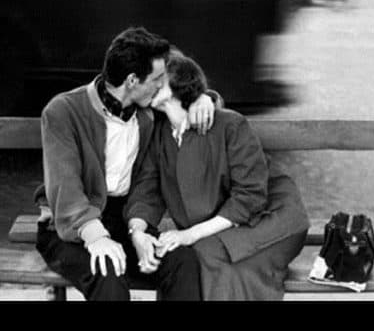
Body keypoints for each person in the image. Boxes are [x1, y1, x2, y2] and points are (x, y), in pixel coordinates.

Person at [35, 26, 220, 301]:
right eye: (157, 79)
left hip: (125, 219)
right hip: (70, 227)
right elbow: (66, 188)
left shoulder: (148, 111)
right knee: (107, 272)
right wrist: (96, 237)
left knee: (182, 261)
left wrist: (202, 99)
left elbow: (183, 87)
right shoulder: (63, 111)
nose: (162, 85)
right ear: (132, 80)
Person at [125, 52, 310, 300]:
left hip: (269, 219)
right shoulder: (160, 134)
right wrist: (138, 232)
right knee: (189, 257)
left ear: (178, 84)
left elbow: (250, 196)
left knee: (206, 257)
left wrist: (189, 234)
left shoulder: (229, 125)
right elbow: (146, 192)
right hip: (217, 229)